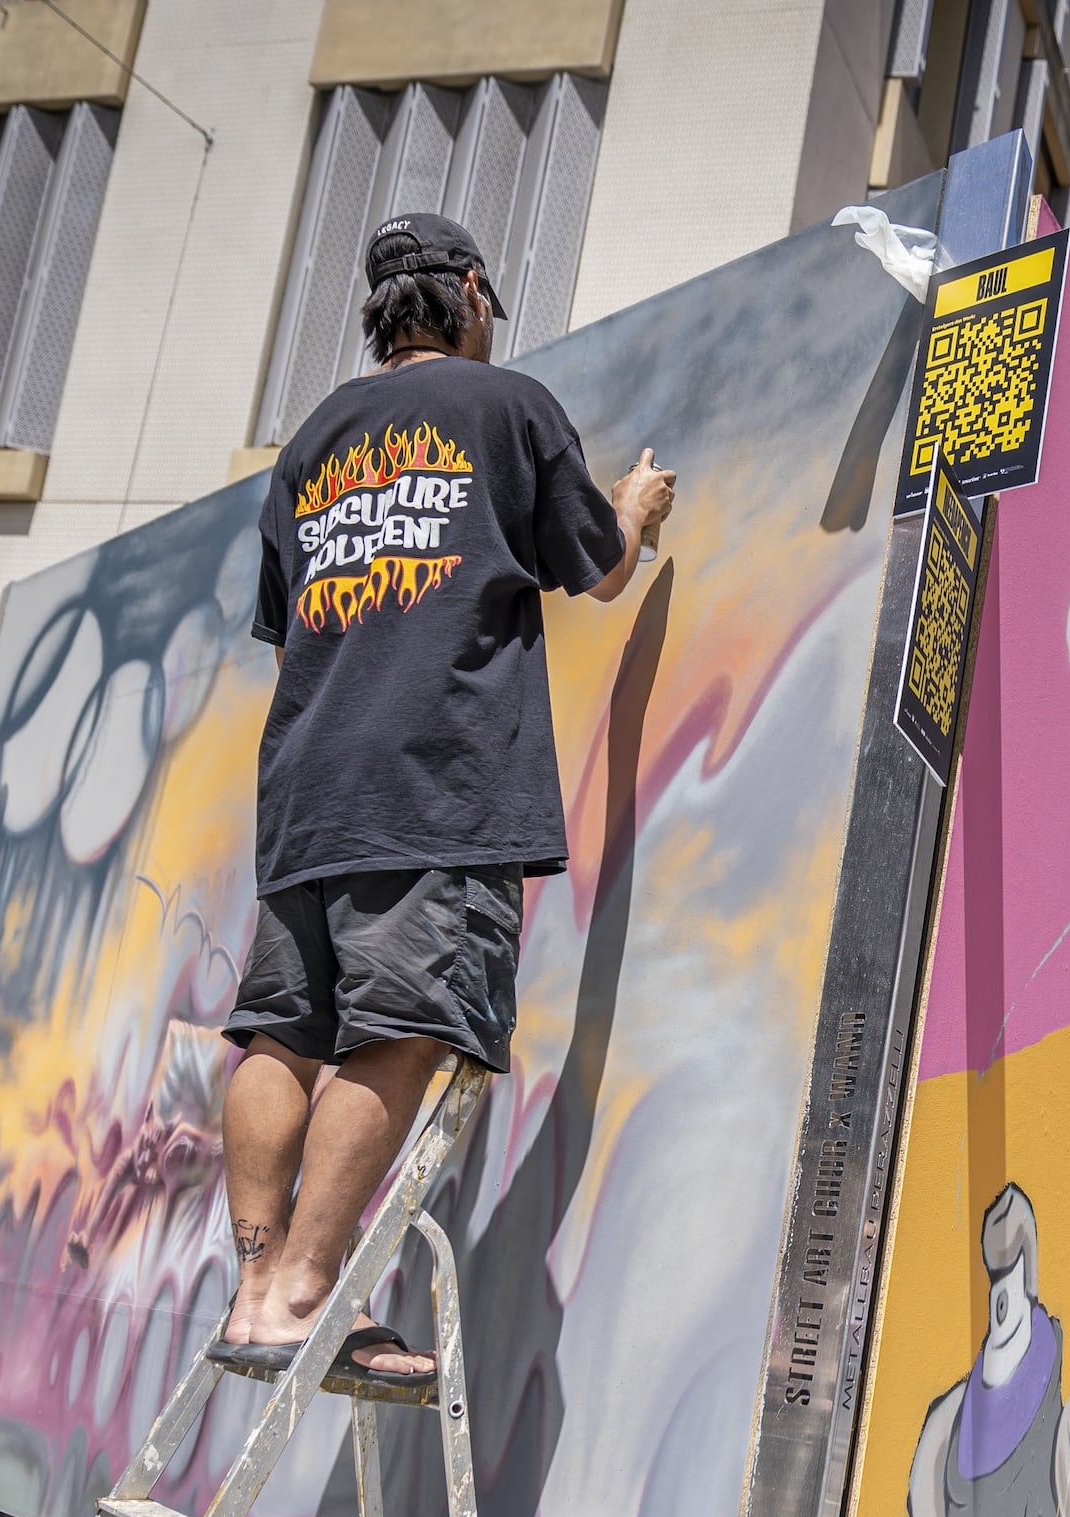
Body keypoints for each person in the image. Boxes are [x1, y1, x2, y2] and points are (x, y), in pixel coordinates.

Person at [211, 213, 675, 1388]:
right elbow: (602, 574)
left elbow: (289, 635)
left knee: (282, 1033)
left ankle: (257, 1287)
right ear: (470, 291)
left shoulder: (311, 442)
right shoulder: (503, 405)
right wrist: (638, 509)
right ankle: (310, 1292)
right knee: (405, 1024)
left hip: (308, 789)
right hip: (438, 780)